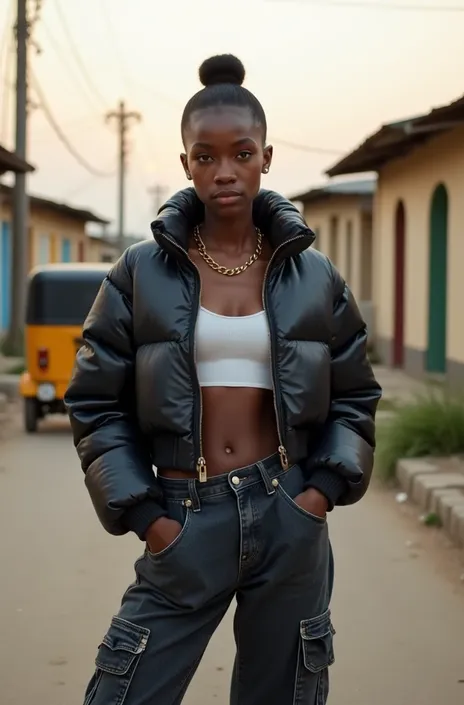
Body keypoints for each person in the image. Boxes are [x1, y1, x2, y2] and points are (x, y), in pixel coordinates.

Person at [65, 53, 381, 705]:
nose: (225, 171)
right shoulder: (139, 271)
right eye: (205, 156)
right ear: (186, 165)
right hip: (184, 514)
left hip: (288, 510)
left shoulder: (314, 275)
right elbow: (95, 404)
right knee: (123, 692)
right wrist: (149, 515)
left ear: (265, 155)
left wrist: (318, 492)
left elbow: (355, 394)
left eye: (240, 152)